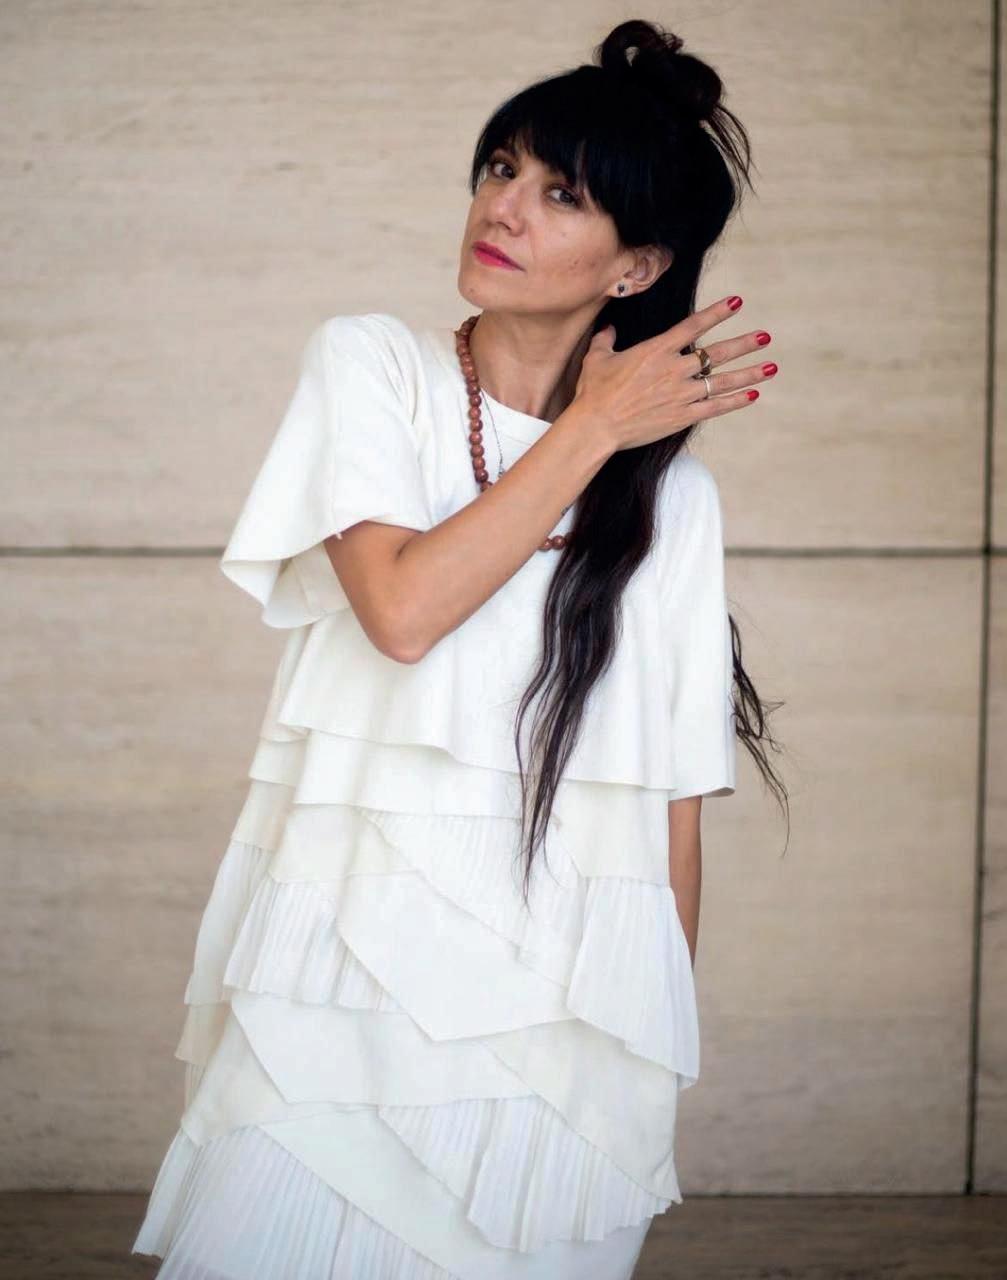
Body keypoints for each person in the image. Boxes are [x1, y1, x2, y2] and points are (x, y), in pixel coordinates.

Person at [131, 18, 788, 1280]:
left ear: (638, 264)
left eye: (560, 193)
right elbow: (401, 609)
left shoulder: (674, 501)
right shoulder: (372, 365)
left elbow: (668, 816)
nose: (503, 205)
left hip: (556, 1019)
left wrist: (641, 1064)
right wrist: (592, 428)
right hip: (338, 981)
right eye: (498, 166)